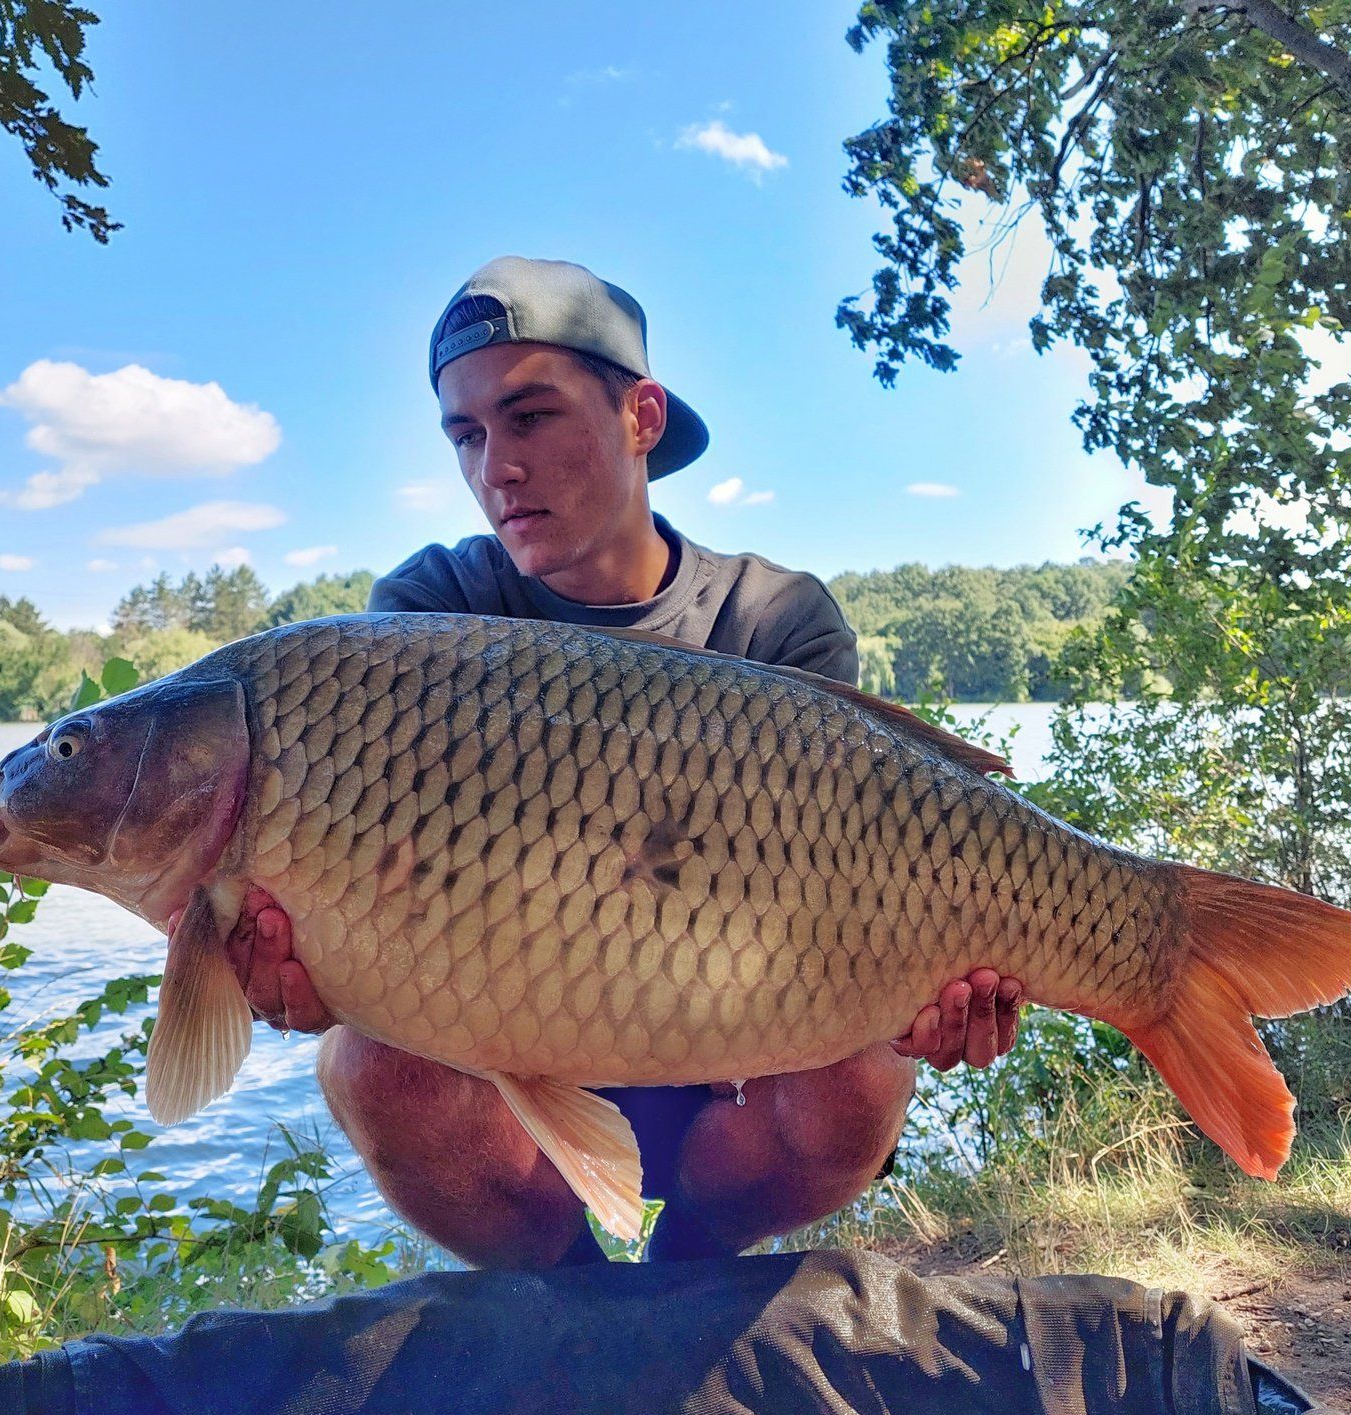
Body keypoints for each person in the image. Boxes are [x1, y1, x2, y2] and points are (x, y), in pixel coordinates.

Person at [225, 257, 1024, 1267]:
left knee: (867, 1075)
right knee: (365, 1061)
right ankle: (567, 1294)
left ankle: (690, 1272)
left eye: (530, 418)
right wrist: (316, 960)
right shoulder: (430, 617)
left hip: (737, 1055)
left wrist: (929, 1001)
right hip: (507, 1051)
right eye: (466, 435)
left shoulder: (774, 620)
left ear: (641, 417)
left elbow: (867, 893)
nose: (495, 469)